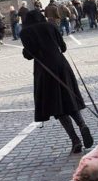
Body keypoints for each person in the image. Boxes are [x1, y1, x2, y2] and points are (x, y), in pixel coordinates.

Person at [20, 10, 94, 153]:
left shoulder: (25, 32)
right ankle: (82, 124)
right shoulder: (51, 26)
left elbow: (29, 54)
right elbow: (63, 47)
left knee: (57, 106)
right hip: (62, 66)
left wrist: (26, 51)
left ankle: (75, 140)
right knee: (69, 99)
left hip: (45, 71)